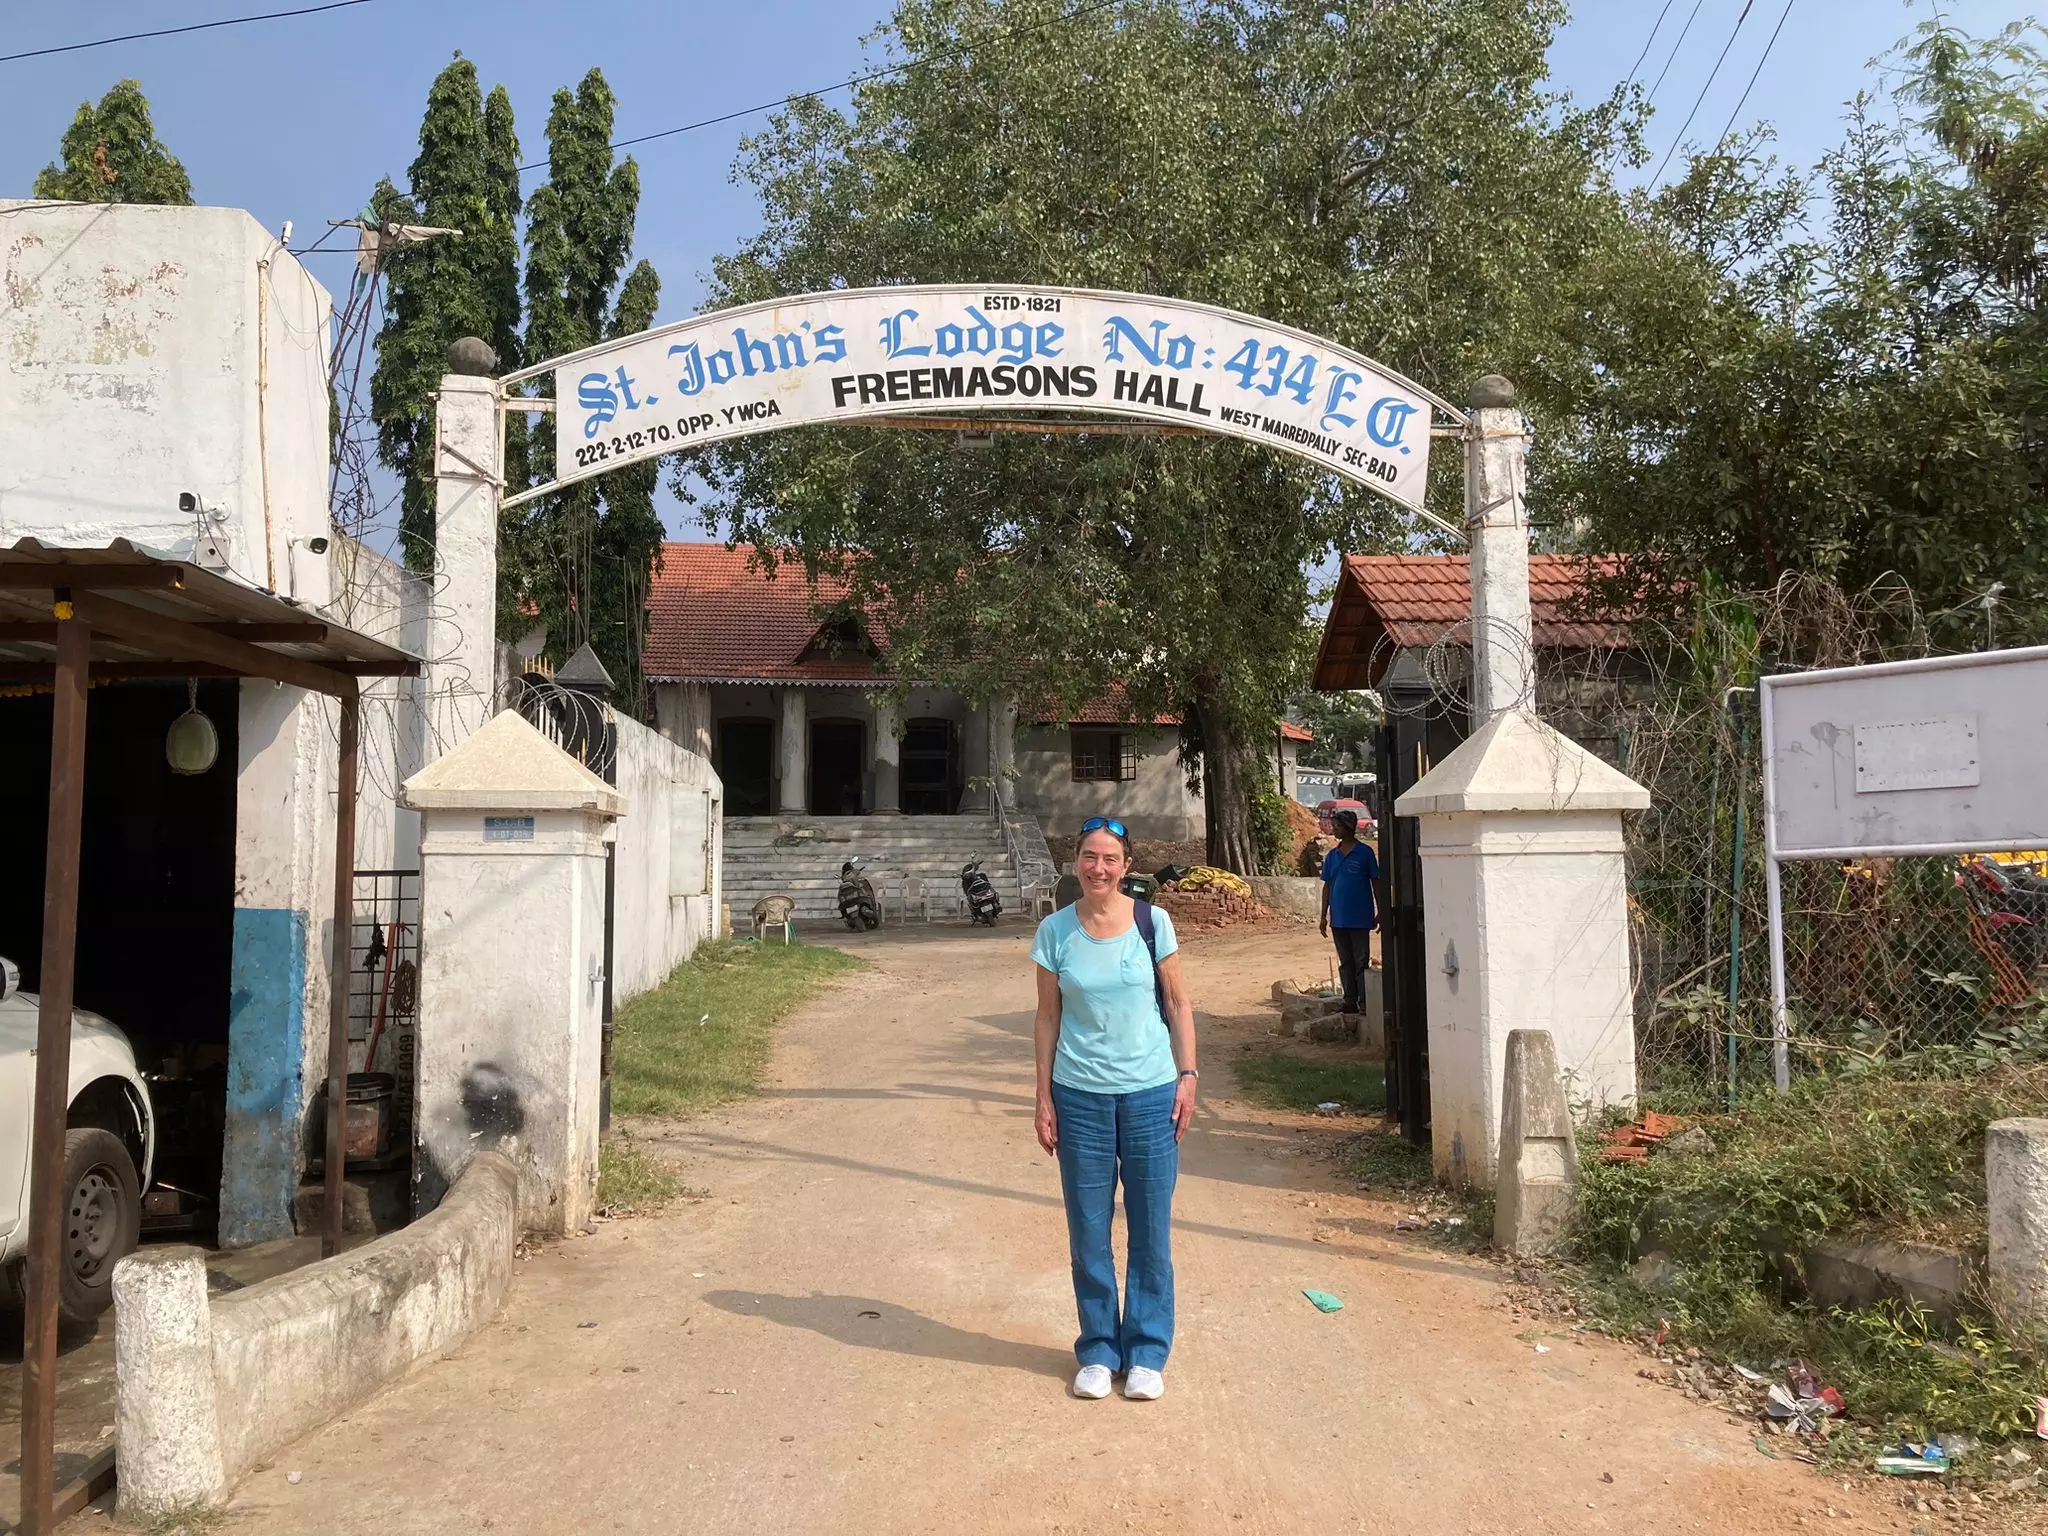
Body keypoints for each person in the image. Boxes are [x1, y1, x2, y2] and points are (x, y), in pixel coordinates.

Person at [1031, 816, 1198, 1402]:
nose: (1098, 868)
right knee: (1089, 1228)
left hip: (1151, 1093)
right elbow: (1047, 1016)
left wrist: (1188, 1076)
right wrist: (1043, 1094)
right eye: (1088, 857)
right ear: (1075, 861)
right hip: (1080, 1098)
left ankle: (1148, 1350)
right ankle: (1099, 1348)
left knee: (1151, 1225)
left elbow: (1178, 1003)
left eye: (1110, 859)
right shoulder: (1054, 931)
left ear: (1126, 867)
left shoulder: (1153, 923)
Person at [1318, 808, 1381, 1014]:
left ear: (1347, 828)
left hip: (1361, 918)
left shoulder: (1365, 853)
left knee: (1361, 961)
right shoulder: (1333, 856)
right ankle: (1350, 1001)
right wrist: (1323, 916)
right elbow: (1327, 886)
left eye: (1337, 827)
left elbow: (1376, 882)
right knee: (1345, 962)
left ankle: (1364, 1002)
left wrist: (1380, 910)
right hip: (1339, 919)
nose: (1334, 830)